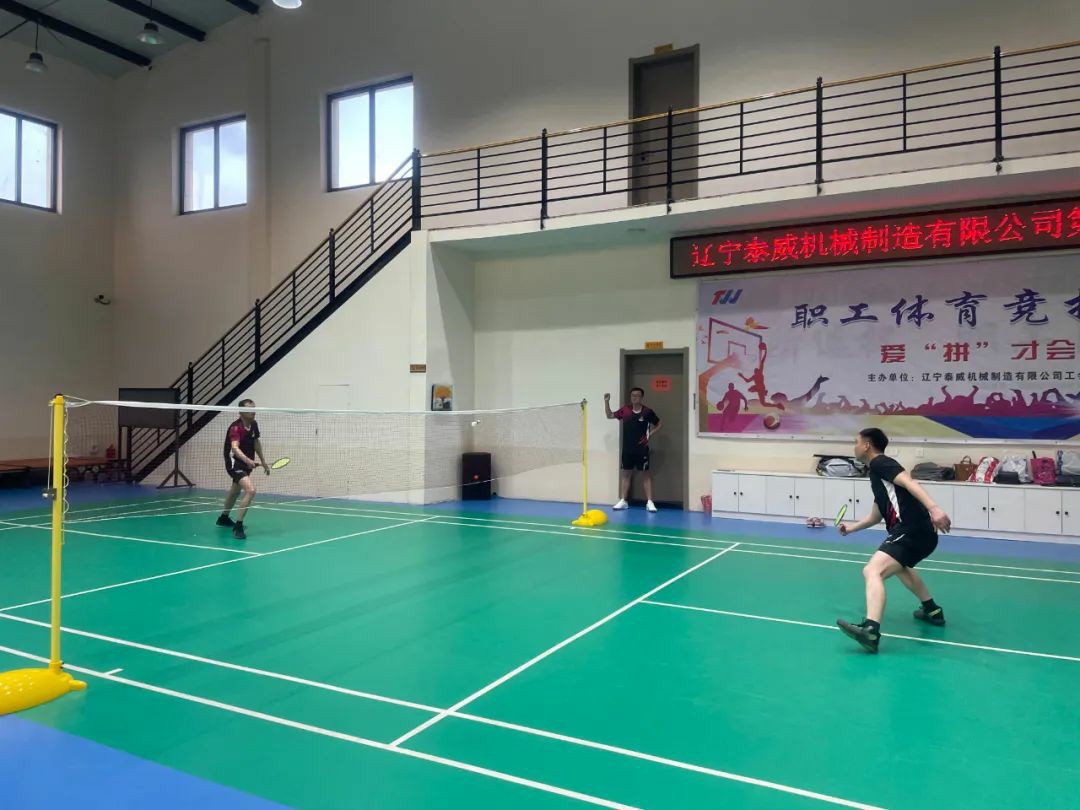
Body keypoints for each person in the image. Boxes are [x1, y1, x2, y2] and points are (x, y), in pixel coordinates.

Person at [836, 427, 951, 653]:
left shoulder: (881, 463)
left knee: (872, 571)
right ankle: (932, 610)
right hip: (921, 533)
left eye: (856, 442)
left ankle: (871, 630)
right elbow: (875, 516)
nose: (854, 446)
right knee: (900, 567)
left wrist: (935, 508)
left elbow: (910, 482)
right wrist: (851, 529)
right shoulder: (877, 475)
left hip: (911, 529)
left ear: (867, 445)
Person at [604, 388, 662, 512]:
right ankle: (623, 501)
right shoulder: (625, 410)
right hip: (627, 449)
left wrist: (649, 435)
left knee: (646, 475)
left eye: (637, 395)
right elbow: (609, 415)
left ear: (642, 397)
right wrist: (606, 402)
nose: (635, 397)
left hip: (642, 449)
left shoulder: (647, 412)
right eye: (633, 395)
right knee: (626, 475)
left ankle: (650, 502)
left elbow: (659, 424)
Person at [217, 399, 268, 539]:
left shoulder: (254, 424)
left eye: (254, 408)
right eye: (250, 409)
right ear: (241, 412)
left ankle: (223, 518)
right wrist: (248, 461)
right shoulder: (236, 427)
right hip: (234, 463)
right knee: (251, 490)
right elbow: (234, 448)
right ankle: (238, 526)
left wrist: (263, 461)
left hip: (246, 462)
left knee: (235, 491)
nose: (253, 411)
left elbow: (256, 442)